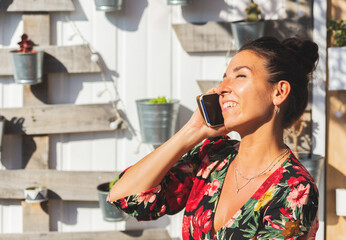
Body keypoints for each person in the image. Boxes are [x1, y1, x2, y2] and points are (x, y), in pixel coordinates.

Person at [108, 36, 319, 240]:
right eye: (224, 77)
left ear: (279, 92)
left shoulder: (294, 189)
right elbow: (126, 197)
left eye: (240, 76)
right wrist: (191, 132)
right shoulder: (213, 157)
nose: (221, 88)